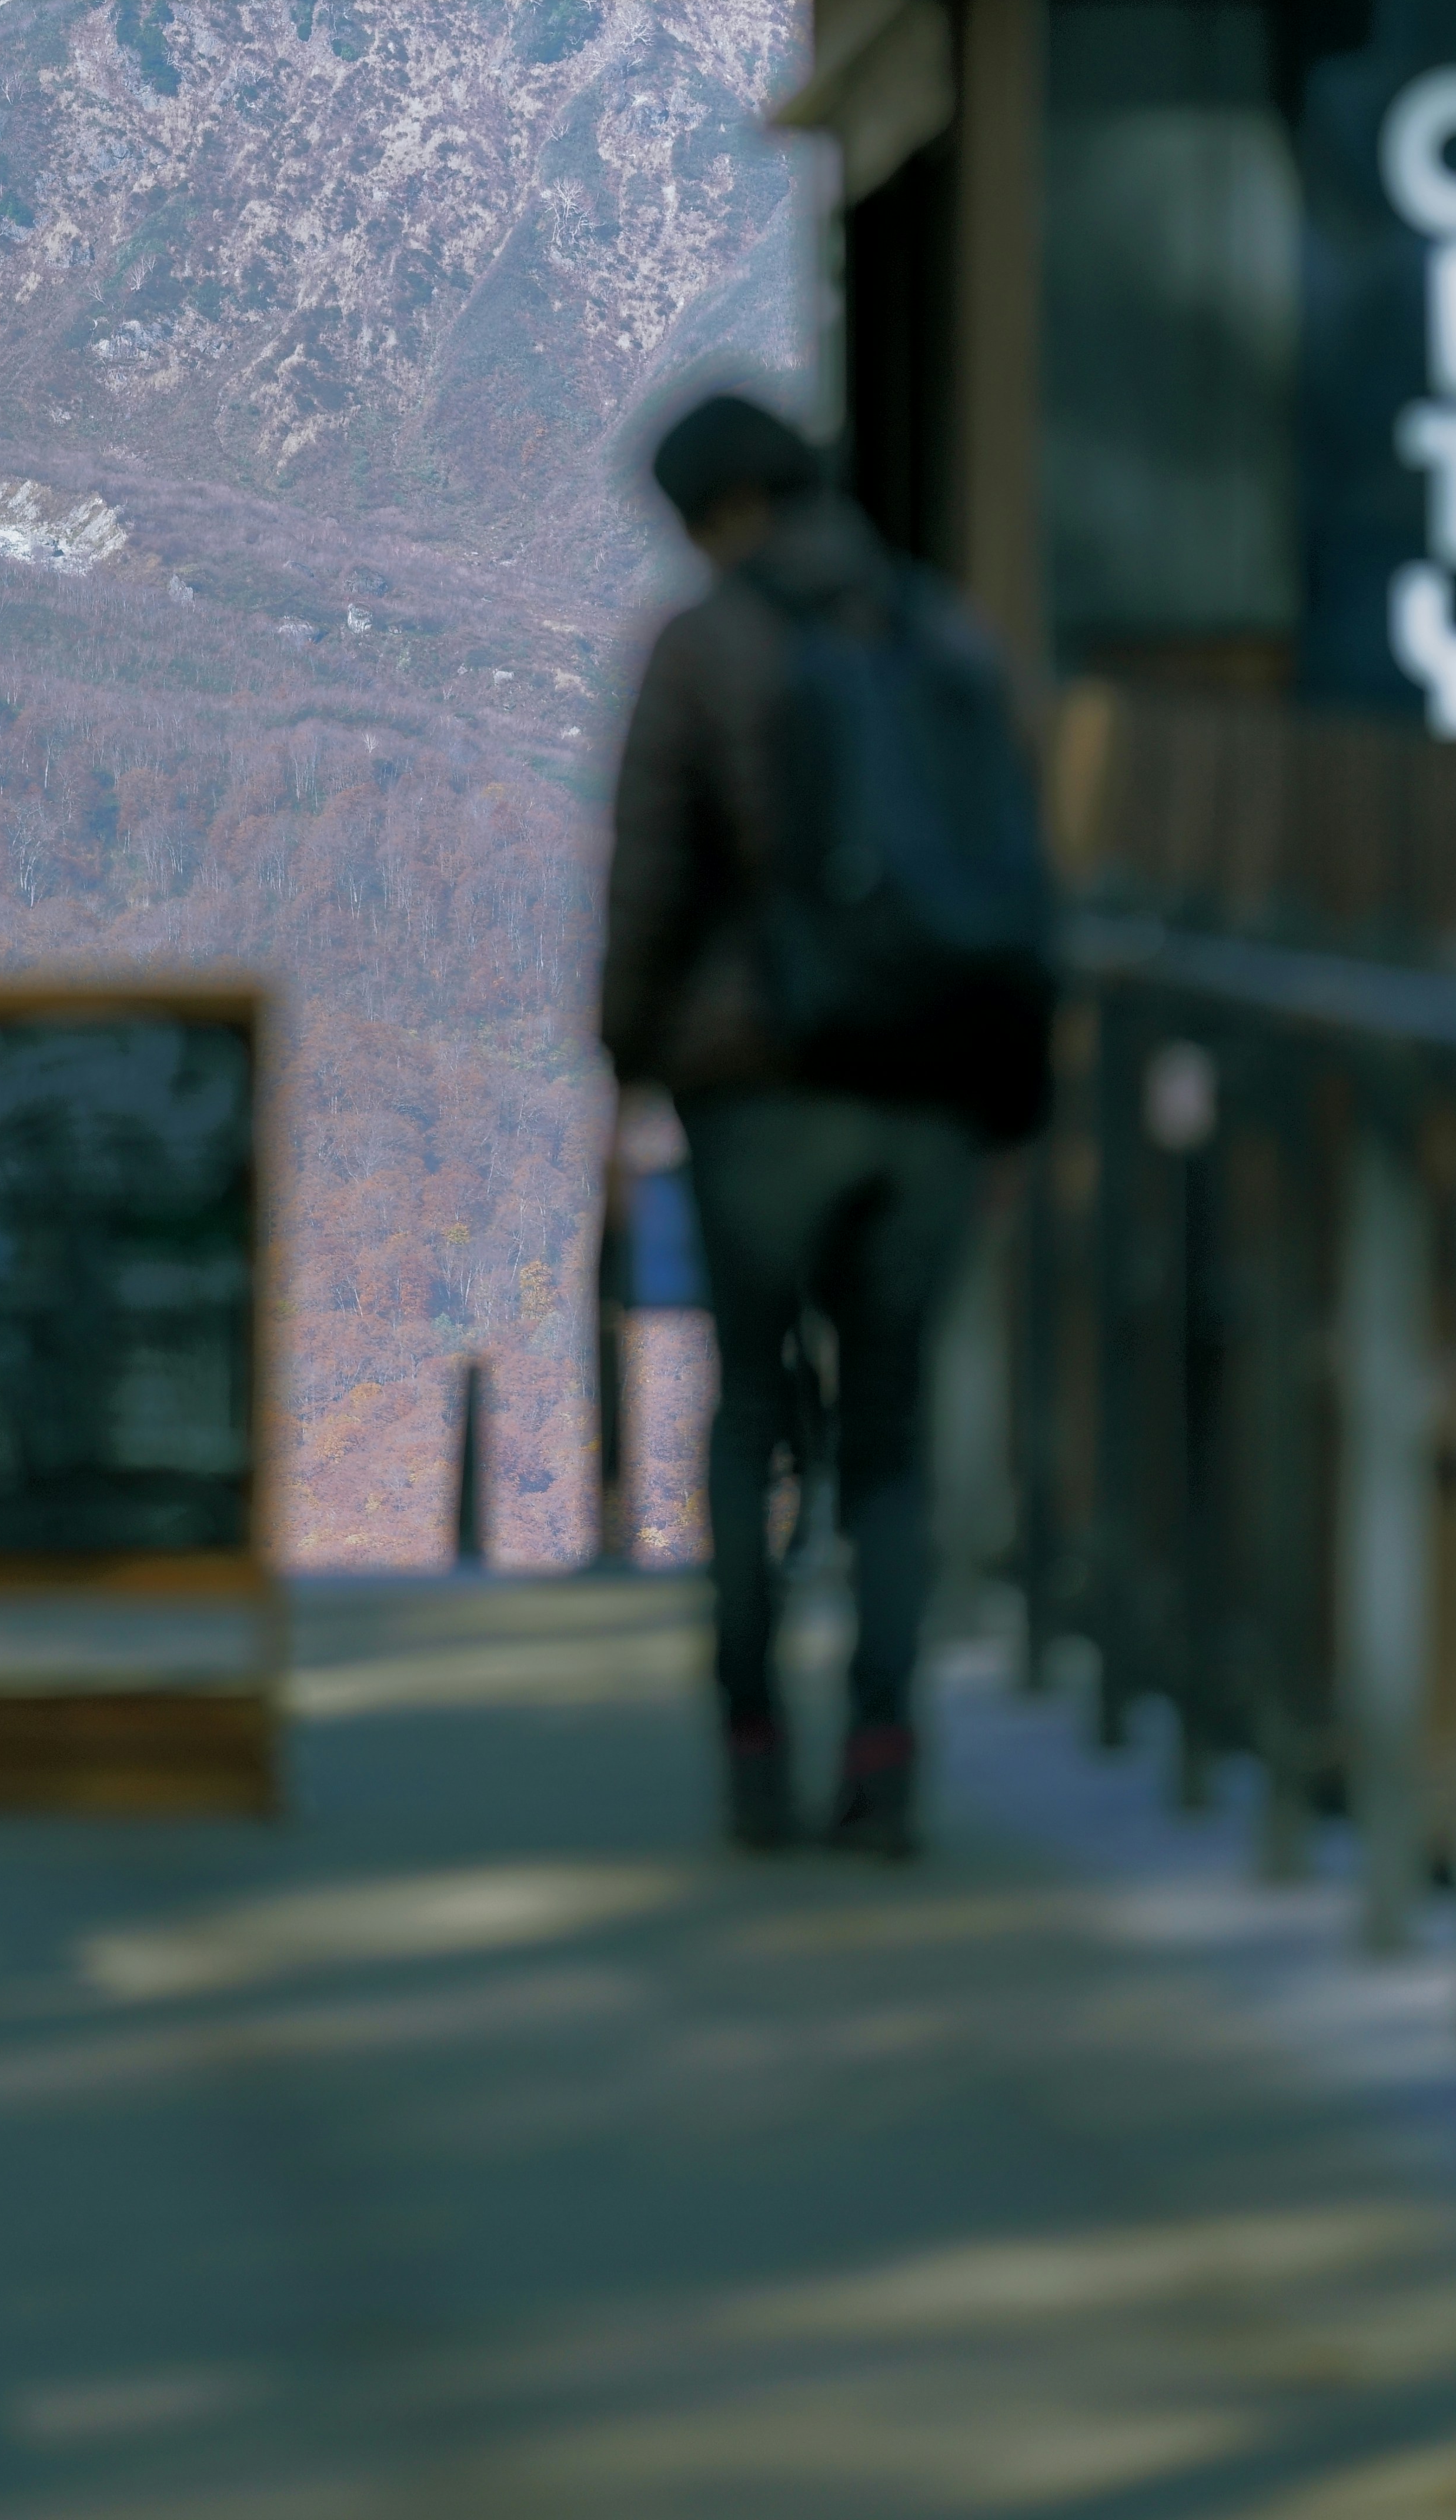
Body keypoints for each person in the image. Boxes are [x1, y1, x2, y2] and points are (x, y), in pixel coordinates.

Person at [600, 389, 1039, 1864]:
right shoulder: (942, 631)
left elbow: (650, 881)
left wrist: (626, 1058)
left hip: (763, 1093)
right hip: (929, 1099)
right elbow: (1012, 874)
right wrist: (1010, 1098)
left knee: (749, 1413)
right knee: (894, 1438)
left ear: (710, 508)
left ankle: (749, 1745)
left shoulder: (704, 645)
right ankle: (886, 1744)